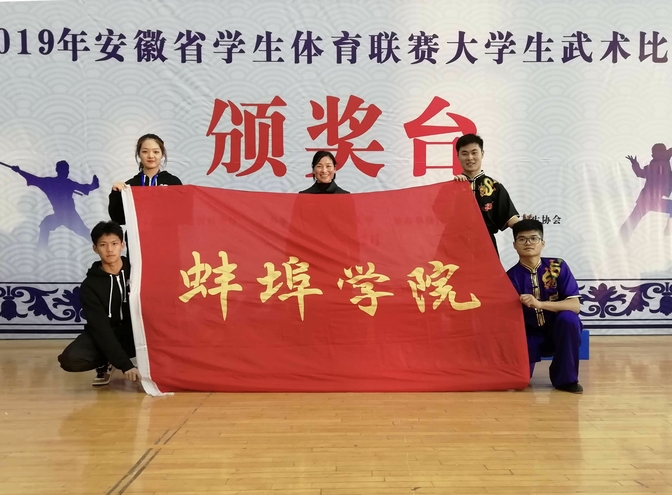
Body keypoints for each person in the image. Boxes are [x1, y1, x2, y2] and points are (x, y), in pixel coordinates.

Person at [58, 221, 140, 386]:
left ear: (122, 245)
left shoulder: (137, 272)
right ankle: (108, 361)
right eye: (103, 245)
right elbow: (100, 329)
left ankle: (150, 364)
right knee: (70, 359)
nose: (109, 249)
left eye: (114, 243)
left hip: (135, 330)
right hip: (105, 332)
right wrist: (125, 365)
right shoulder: (90, 286)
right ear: (95, 248)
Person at [506, 219, 583, 394]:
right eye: (522, 239)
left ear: (542, 243)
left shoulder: (557, 266)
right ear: (514, 245)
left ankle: (566, 380)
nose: (528, 243)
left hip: (558, 331)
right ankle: (525, 365)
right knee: (520, 382)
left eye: (534, 238)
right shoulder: (510, 277)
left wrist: (539, 304)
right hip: (528, 335)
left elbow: (575, 306)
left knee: (569, 319)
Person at [0, 159, 99, 248]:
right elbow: (33, 178)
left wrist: (19, 171)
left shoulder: (51, 182)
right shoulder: (61, 183)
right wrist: (19, 171)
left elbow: (33, 179)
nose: (66, 172)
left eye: (66, 170)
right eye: (65, 170)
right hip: (61, 215)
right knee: (45, 225)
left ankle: (99, 246)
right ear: (58, 170)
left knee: (84, 233)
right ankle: (41, 249)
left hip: (70, 215)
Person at [452, 134, 521, 254]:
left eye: (474, 153)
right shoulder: (451, 188)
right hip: (454, 245)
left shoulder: (495, 187)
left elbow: (510, 218)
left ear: (482, 154)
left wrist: (527, 225)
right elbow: (438, 219)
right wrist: (454, 190)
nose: (470, 157)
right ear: (458, 156)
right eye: (464, 153)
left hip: (485, 246)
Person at [108, 134, 182, 224]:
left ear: (162, 154)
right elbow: (118, 219)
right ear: (139, 154)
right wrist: (116, 193)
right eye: (145, 151)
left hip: (166, 232)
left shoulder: (173, 183)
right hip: (137, 233)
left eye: (156, 152)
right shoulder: (129, 186)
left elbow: (182, 216)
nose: (150, 156)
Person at [619, 144, 672, 240]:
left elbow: (640, 173)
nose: (653, 154)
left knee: (633, 219)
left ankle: (622, 238)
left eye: (654, 152)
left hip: (650, 199)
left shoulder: (657, 163)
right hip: (650, 199)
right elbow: (641, 173)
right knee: (633, 219)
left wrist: (635, 164)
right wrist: (635, 164)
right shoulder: (658, 163)